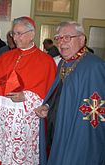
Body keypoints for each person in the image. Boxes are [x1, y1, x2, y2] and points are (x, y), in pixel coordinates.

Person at [0, 16, 56, 165]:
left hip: (23, 122)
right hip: (0, 120)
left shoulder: (46, 61)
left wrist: (26, 96)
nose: (15, 38)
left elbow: (50, 97)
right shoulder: (5, 57)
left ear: (32, 34)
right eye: (13, 33)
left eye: (19, 33)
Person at [35, 21, 105, 165]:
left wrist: (82, 143)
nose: (62, 42)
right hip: (59, 130)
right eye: (59, 38)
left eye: (67, 37)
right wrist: (48, 107)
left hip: (79, 136)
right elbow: (60, 94)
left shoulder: (95, 66)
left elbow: (96, 111)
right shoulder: (63, 63)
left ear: (81, 39)